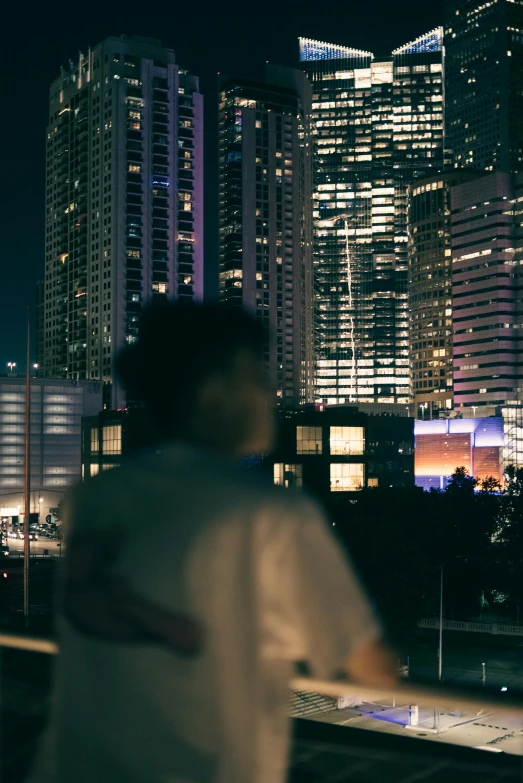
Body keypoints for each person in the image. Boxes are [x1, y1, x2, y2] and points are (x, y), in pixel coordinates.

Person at [30, 302, 396, 783]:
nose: (270, 394)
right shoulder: (271, 513)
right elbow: (371, 667)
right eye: (256, 377)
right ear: (212, 393)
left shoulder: (92, 499)